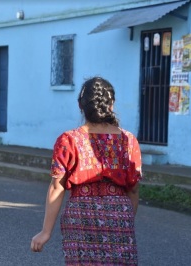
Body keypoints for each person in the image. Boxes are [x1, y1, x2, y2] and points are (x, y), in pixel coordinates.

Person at [30, 76, 142, 265]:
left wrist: (46, 231)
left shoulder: (68, 140)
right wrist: (125, 219)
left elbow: (57, 187)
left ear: (80, 105)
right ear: (111, 105)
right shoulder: (129, 141)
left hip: (80, 217)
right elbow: (133, 189)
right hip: (119, 213)